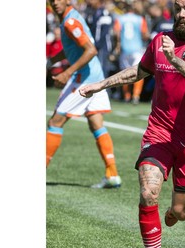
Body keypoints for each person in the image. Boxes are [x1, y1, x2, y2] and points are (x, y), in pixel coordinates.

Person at [79, 0, 185, 248]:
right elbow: (140, 71)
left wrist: (174, 59)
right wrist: (100, 85)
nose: (181, 14)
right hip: (159, 132)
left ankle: (174, 211)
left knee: (182, 212)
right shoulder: (160, 40)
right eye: (178, 7)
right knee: (148, 192)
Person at [46, 0, 121, 189]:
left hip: (84, 79)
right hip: (96, 76)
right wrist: (53, 60)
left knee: (55, 122)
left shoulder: (70, 22)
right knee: (96, 123)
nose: (55, 3)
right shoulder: (70, 18)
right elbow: (76, 48)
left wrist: (66, 72)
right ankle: (112, 175)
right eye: (51, 0)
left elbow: (91, 50)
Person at [113, 0, 149, 104]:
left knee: (125, 72)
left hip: (125, 48)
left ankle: (127, 96)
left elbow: (116, 33)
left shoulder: (120, 19)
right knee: (138, 72)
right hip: (137, 48)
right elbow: (145, 34)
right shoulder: (140, 19)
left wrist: (117, 45)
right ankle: (136, 96)